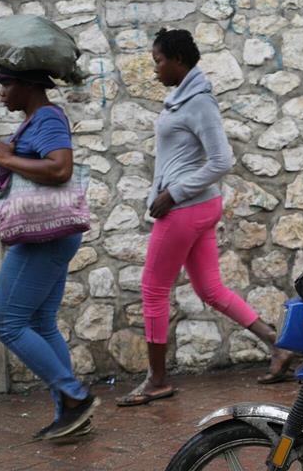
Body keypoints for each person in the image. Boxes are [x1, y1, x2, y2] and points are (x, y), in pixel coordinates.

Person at [117, 29, 292, 407]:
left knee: (152, 290)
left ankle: (157, 380)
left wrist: (172, 194)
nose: (155, 70)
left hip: (186, 208)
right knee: (210, 289)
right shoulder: (181, 99)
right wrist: (162, 192)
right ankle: (278, 346)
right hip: (194, 207)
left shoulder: (199, 102)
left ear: (179, 60)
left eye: (159, 61)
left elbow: (222, 160)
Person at [0, 66, 98, 440]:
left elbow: (59, 169)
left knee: (7, 323)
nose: (1, 92)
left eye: (7, 84)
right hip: (51, 235)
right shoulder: (35, 121)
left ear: (30, 85)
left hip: (44, 239)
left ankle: (74, 397)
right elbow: (32, 185)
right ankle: (71, 415)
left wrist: (3, 158)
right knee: (40, 324)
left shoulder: (48, 119)